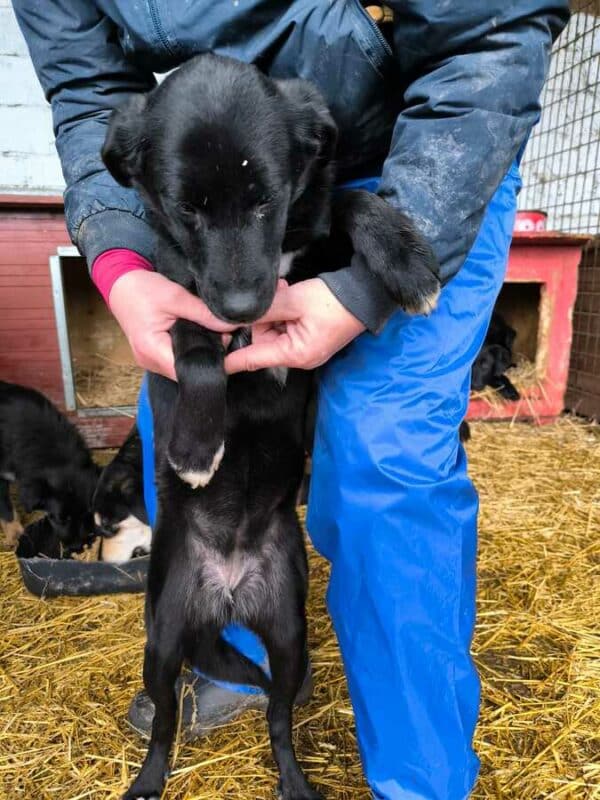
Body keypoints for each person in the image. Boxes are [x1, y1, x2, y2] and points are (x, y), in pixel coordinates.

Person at [14, 2, 569, 798]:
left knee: (388, 461)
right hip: (210, 160)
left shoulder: (326, 144)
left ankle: (420, 777)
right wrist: (119, 263)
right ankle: (243, 664)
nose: (243, 298)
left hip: (420, 141)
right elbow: (84, 83)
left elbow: (488, 31)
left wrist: (373, 264)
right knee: (178, 442)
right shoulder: (147, 149)